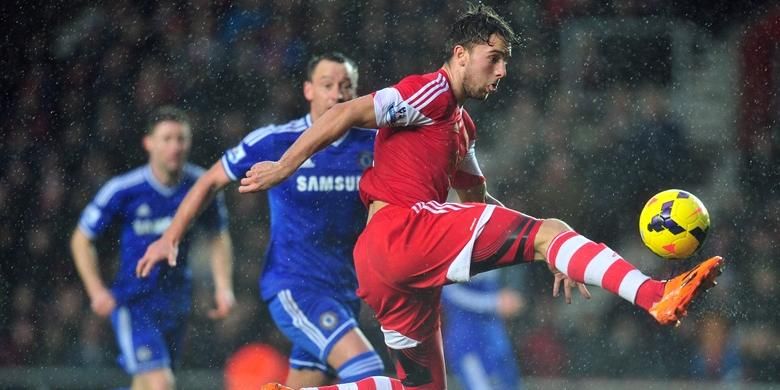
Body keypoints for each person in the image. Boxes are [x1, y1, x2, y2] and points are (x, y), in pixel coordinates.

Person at [189, 5, 724, 389]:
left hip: (382, 265)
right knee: (551, 229)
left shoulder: (459, 125)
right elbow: (350, 112)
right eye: (494, 57)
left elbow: (477, 197)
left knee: (420, 388)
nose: (503, 70)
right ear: (460, 54)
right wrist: (286, 165)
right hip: (406, 229)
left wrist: (556, 254)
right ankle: (654, 295)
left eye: (507, 60)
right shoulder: (431, 90)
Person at [136, 53, 385, 388]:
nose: (337, 95)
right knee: (365, 366)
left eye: (346, 87)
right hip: (295, 286)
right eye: (327, 85)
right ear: (308, 90)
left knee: (307, 382)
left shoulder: (375, 145)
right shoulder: (274, 141)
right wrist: (171, 236)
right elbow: (209, 181)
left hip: (346, 289)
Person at [71, 106, 234, 390]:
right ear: (149, 143)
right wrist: (96, 290)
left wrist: (223, 286)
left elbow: (218, 236)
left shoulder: (200, 187)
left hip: (176, 302)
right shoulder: (123, 189)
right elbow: (81, 239)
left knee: (145, 384)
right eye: (167, 139)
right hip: (134, 303)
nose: (175, 147)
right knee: (161, 383)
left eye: (181, 139)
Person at [441, 269, 524, 389]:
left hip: (495, 338)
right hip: (468, 341)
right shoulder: (450, 259)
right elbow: (446, 291)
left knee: (509, 384)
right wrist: (494, 302)